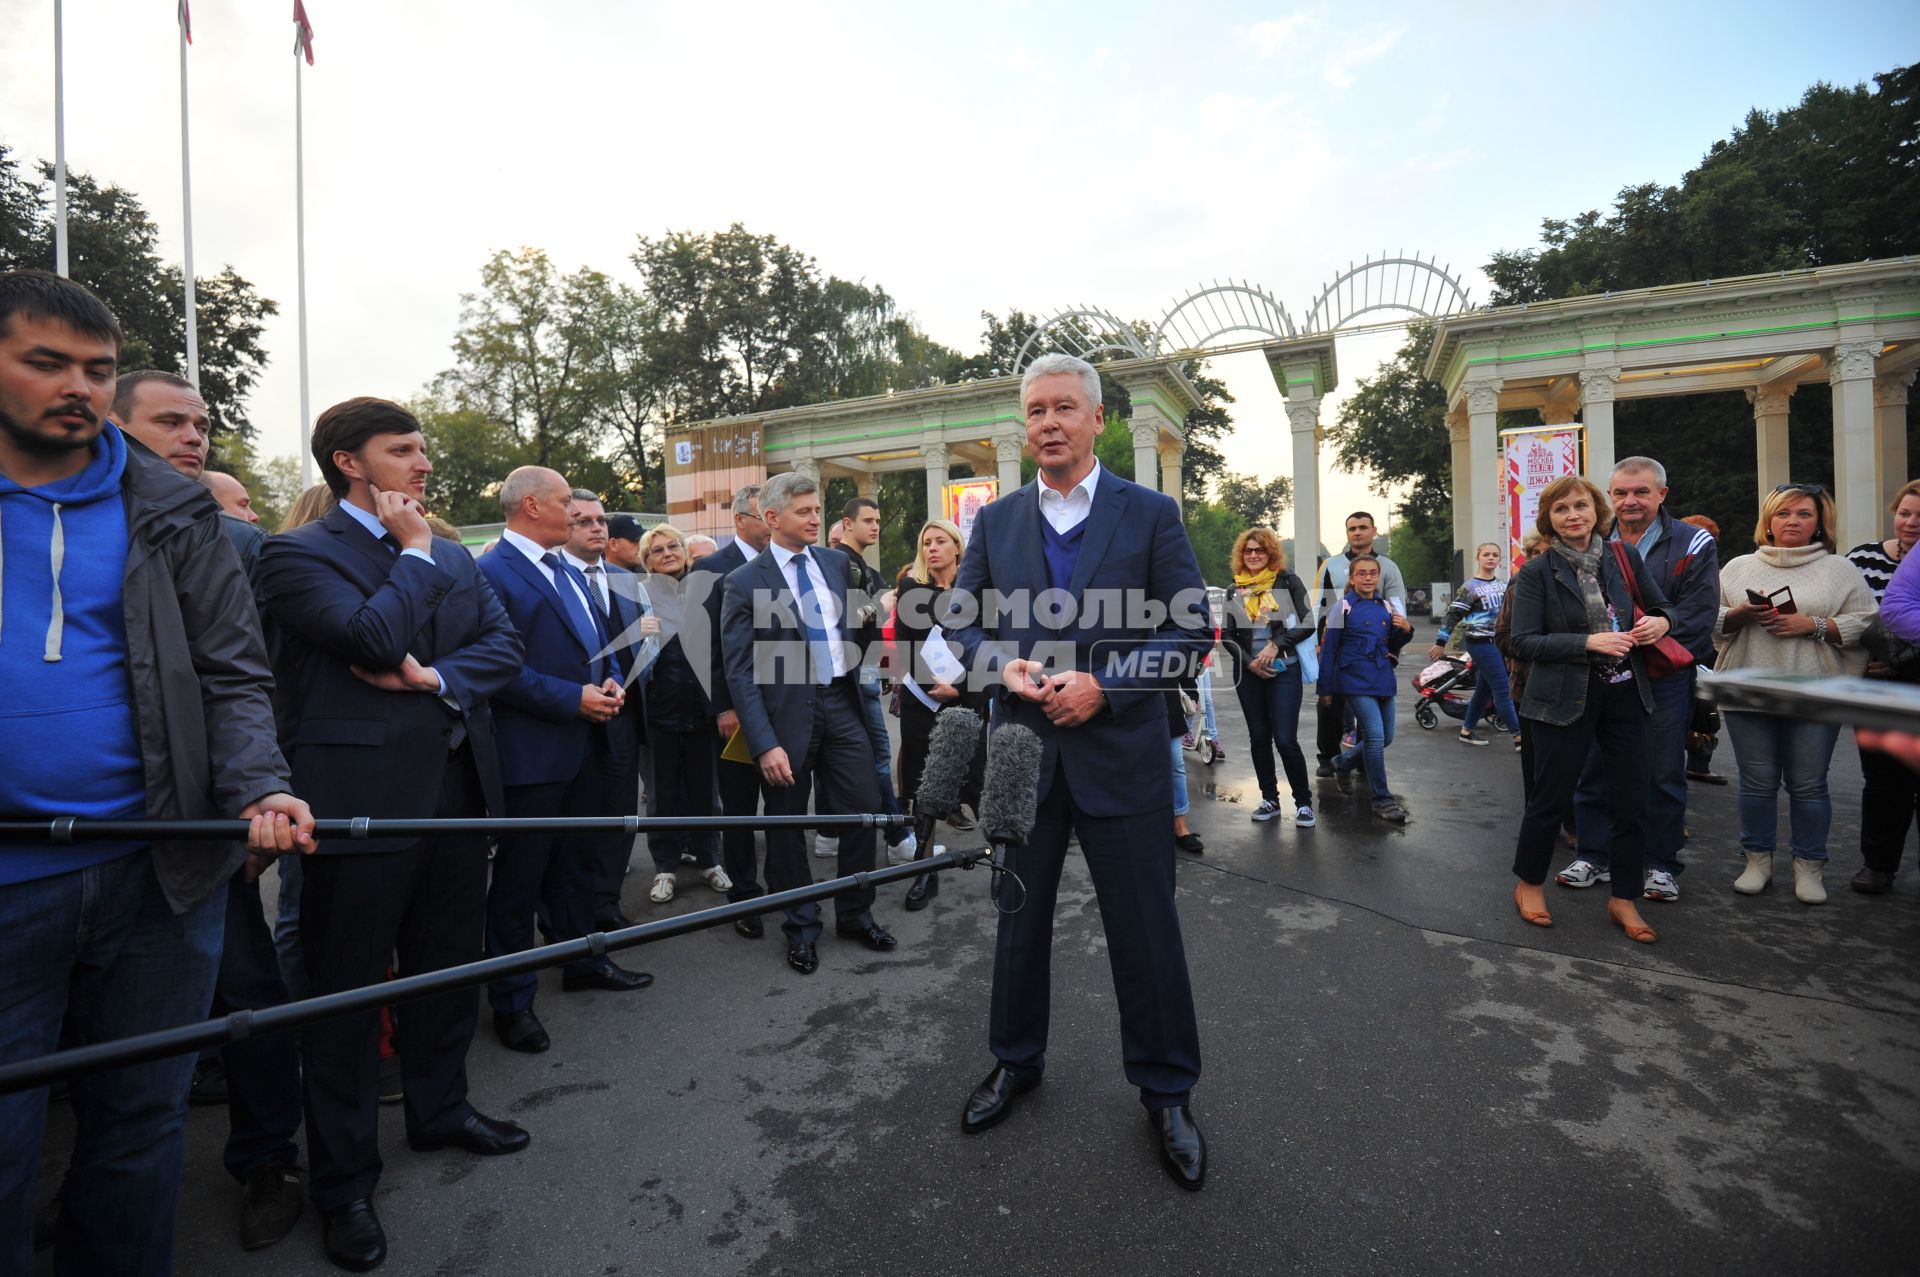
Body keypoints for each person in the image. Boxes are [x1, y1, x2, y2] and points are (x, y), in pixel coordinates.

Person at [0, 269, 314, 1277]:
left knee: (140, 1126)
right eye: (45, 361)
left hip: (162, 870)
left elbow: (233, 671)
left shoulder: (173, 509)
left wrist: (260, 783)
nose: (77, 387)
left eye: (95, 368)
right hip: (11, 886)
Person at [258, 397, 534, 1271]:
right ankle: (343, 1183)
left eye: (423, 448)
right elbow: (368, 632)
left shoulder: (457, 553)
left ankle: (441, 1108)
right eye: (402, 449)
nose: (422, 463)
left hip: (457, 795)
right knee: (343, 997)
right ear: (348, 462)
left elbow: (504, 647)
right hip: (357, 802)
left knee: (447, 972)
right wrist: (411, 555)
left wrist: (433, 679)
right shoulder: (297, 553)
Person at [943, 352, 1212, 1191]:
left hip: (1122, 755)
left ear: (1099, 419)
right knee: (1018, 925)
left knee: (1146, 930)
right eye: (1034, 412)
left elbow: (1191, 630)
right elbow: (960, 622)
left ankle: (1167, 1092)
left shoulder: (1153, 513)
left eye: (1063, 408)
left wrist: (1110, 684)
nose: (1048, 423)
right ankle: (1015, 1061)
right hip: (1023, 755)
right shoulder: (997, 521)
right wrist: (1001, 669)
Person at [117, 369, 307, 1251]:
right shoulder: (52, 525)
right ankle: (97, 1182)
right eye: (171, 422)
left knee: (246, 996)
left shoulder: (231, 543)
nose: (194, 436)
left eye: (202, 423)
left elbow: (249, 678)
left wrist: (254, 793)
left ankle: (270, 1159)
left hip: (201, 824)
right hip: (79, 835)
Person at [477, 467, 653, 1057]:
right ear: (532, 506)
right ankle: (512, 1001)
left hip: (586, 742)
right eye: (565, 504)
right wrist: (569, 698)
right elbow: (494, 666)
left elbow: (591, 643)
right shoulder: (493, 571)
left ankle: (583, 961)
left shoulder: (564, 569)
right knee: (520, 883)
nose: (577, 514)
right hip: (532, 752)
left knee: (579, 865)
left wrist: (607, 681)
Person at [721, 471, 897, 975]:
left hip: (841, 704)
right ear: (772, 518)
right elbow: (740, 671)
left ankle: (856, 913)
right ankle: (800, 927)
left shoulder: (837, 563)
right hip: (784, 719)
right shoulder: (743, 582)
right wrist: (763, 744)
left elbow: (858, 628)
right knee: (786, 826)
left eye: (817, 510)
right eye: (804, 512)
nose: (816, 519)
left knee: (863, 809)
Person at [1507, 474, 1672, 943]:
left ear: (1597, 511)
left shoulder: (1623, 557)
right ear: (1549, 521)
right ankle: (1530, 884)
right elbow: (1523, 641)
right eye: (1561, 510)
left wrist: (1659, 624)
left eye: (1580, 506)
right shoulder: (1537, 572)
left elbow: (1664, 608)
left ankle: (1624, 897)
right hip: (1562, 698)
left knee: (1631, 801)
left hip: (1624, 693)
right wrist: (1587, 642)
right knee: (1551, 797)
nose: (1573, 516)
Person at [1556, 457, 1721, 903]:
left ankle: (1660, 863)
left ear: (1662, 494)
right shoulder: (1590, 540)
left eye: (1641, 492)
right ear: (1610, 496)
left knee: (1662, 769)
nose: (1630, 501)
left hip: (1663, 673)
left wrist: (1664, 625)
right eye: (1622, 493)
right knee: (1593, 765)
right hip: (1604, 672)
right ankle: (1594, 854)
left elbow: (1702, 610)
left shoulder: (1694, 541)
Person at [1716, 483, 1875, 904]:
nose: (1792, 521)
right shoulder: (1737, 567)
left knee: (1808, 784)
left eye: (1804, 514)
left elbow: (1866, 621)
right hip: (1748, 687)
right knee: (1756, 782)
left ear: (1820, 523)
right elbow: (1707, 620)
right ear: (1767, 522)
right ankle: (1756, 861)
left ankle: (1810, 866)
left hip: (1814, 688)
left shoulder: (1839, 568)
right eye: (1783, 514)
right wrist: (1737, 614)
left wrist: (1815, 626)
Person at [562, 489, 655, 929]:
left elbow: (648, 640)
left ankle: (606, 905)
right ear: (563, 525)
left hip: (625, 714)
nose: (597, 527)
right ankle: (573, 914)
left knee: (621, 817)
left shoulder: (627, 580)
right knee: (579, 824)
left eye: (600, 520)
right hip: (572, 719)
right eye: (583, 520)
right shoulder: (556, 577)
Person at [687, 484, 774, 938]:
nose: (772, 523)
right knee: (740, 806)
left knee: (784, 804)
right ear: (741, 520)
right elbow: (703, 649)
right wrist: (722, 705)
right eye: (765, 515)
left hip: (784, 706)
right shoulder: (709, 569)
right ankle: (744, 895)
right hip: (735, 714)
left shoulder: (786, 562)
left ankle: (785, 888)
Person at [890, 517, 985, 906]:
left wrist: (960, 687)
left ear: (957, 547)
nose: (932, 547)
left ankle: (1006, 861)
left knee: (977, 782)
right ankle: (923, 872)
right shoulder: (911, 588)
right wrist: (936, 686)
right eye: (926, 541)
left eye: (940, 541)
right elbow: (906, 645)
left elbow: (991, 644)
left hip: (968, 697)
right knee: (922, 790)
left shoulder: (978, 589)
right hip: (923, 699)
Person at [633, 523, 730, 902]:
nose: (667, 553)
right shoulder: (638, 598)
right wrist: (638, 632)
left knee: (707, 793)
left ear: (686, 553)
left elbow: (723, 652)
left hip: (704, 711)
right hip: (659, 712)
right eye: (657, 551)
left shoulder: (708, 592)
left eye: (673, 546)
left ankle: (709, 860)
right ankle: (665, 868)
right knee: (663, 797)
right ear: (648, 563)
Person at [817, 496, 913, 865]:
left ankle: (829, 833)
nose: (875, 526)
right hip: (853, 676)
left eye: (877, 519)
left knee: (845, 757)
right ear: (846, 523)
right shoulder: (841, 562)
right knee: (877, 757)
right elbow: (848, 619)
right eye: (868, 520)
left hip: (862, 671)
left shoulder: (854, 562)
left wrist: (882, 665)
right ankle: (897, 836)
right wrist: (882, 606)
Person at [1845, 479, 1920, 893]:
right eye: (1904, 512)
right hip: (1876, 682)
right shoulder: (1863, 558)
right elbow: (1847, 614)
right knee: (1884, 781)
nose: (1910, 522)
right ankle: (1878, 863)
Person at [1220, 527, 1315, 826]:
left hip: (1284, 668)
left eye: (1259, 550)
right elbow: (1227, 635)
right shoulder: (1235, 589)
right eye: (1248, 550)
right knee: (1259, 738)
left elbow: (1309, 622)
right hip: (1249, 673)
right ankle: (1269, 799)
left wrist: (1276, 645)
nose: (1253, 555)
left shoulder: (1287, 581)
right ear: (1241, 555)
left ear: (1270, 552)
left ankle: (1303, 804)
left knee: (1285, 740)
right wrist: (1249, 664)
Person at [1319, 555, 1415, 822]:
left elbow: (1394, 640)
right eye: (1362, 573)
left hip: (1383, 678)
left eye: (1373, 573)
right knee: (1374, 736)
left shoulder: (1386, 606)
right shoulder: (1342, 607)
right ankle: (1382, 800)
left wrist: (1407, 630)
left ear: (1379, 575)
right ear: (1352, 578)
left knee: (1386, 737)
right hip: (1354, 679)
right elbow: (1329, 651)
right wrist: (1325, 688)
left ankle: (1342, 762)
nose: (1368, 577)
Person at [1314, 511, 1405, 775]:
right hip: (1336, 643)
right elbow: (1319, 605)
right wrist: (1317, 643)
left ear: (1373, 531)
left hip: (1375, 650)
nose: (1357, 532)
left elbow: (1397, 608)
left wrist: (1394, 650)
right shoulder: (1330, 565)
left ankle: (1361, 759)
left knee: (1371, 705)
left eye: (1363, 527)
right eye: (1352, 528)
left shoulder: (1388, 567)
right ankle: (1328, 757)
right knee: (1329, 702)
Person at [1430, 543, 1518, 748]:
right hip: (1480, 643)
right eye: (1486, 554)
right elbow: (1453, 615)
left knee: (1484, 689)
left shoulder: (1503, 585)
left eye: (1495, 555)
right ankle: (1519, 736)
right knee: (1503, 689)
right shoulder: (1469, 587)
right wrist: (1440, 642)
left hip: (1499, 643)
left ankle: (1467, 730)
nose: (1491, 558)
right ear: (1477, 558)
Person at [1679, 514, 1729, 784]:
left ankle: (1699, 764)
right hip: (1677, 652)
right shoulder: (1670, 566)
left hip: (1706, 653)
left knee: (1706, 713)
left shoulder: (1719, 573)